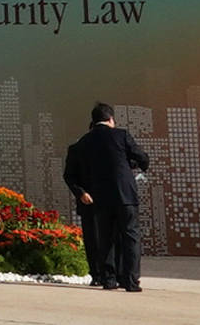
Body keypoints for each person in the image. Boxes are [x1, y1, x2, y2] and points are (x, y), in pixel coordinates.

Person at [62, 101, 152, 290]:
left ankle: (109, 280)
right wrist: (137, 166)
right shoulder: (121, 135)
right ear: (111, 119)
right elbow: (142, 157)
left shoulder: (84, 142)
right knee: (130, 237)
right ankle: (130, 281)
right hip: (125, 195)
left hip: (101, 198)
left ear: (93, 121)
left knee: (106, 239)